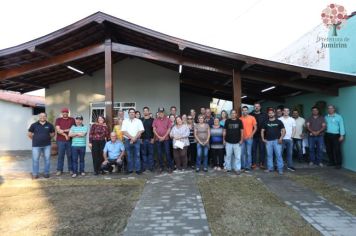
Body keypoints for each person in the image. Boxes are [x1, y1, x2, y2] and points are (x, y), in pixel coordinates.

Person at [28, 113, 55, 179]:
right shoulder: (34, 125)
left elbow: (53, 134)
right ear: (39, 117)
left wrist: (46, 138)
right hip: (36, 146)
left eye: (44, 116)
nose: (42, 117)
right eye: (41, 116)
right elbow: (29, 134)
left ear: (46, 117)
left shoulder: (50, 125)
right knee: (35, 160)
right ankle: (35, 174)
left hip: (47, 146)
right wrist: (35, 139)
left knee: (47, 160)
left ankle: (46, 173)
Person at [261, 108, 286, 175]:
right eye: (269, 113)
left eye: (272, 113)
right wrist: (263, 138)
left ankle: (280, 169)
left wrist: (281, 138)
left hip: (277, 141)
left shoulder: (279, 121)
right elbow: (262, 131)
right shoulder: (265, 122)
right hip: (268, 141)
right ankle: (270, 168)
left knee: (278, 155)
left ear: (274, 113)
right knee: (269, 155)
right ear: (268, 114)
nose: (271, 114)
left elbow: (284, 130)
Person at [121, 108, 144, 174]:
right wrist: (132, 138)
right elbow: (124, 131)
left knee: (137, 155)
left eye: (133, 112)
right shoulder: (125, 121)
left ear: (134, 113)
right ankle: (130, 169)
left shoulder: (138, 121)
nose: (132, 113)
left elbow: (141, 130)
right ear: (128, 113)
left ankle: (138, 170)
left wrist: (134, 138)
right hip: (127, 141)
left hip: (137, 140)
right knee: (129, 155)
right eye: (130, 112)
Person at [55, 107, 75, 176]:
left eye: (66, 112)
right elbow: (58, 130)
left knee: (70, 155)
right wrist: (65, 135)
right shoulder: (58, 120)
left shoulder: (72, 119)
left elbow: (72, 129)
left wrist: (63, 130)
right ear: (62, 113)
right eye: (63, 112)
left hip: (70, 140)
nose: (65, 113)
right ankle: (59, 170)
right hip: (60, 140)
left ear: (68, 113)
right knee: (61, 155)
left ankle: (71, 169)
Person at [153, 107, 174, 173]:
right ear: (158, 113)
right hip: (158, 139)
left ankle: (169, 167)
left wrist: (164, 136)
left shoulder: (168, 120)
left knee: (167, 153)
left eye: (162, 112)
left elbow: (169, 129)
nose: (161, 113)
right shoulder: (155, 120)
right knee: (159, 154)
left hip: (166, 139)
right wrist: (159, 137)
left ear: (164, 112)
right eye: (159, 112)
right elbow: (154, 129)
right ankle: (161, 167)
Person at [324, 105, 345, 169]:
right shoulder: (325, 117)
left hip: (336, 135)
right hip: (327, 135)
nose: (330, 110)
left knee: (337, 150)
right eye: (328, 108)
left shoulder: (339, 117)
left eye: (331, 108)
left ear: (334, 109)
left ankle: (338, 164)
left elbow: (341, 126)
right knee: (329, 149)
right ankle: (331, 162)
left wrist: (342, 135)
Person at [223, 110, 244, 174]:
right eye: (232, 113)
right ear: (230, 114)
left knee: (237, 157)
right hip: (228, 142)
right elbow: (224, 131)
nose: (233, 114)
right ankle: (228, 168)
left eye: (234, 113)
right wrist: (223, 139)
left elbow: (242, 131)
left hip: (237, 142)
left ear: (236, 114)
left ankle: (237, 169)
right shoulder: (227, 121)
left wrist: (241, 140)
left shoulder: (239, 121)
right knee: (228, 156)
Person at [251, 102, 268, 169]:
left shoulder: (264, 115)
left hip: (262, 136)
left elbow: (267, 125)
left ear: (260, 107)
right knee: (253, 150)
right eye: (255, 106)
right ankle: (254, 163)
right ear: (254, 107)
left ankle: (262, 163)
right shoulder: (251, 115)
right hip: (253, 136)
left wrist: (266, 136)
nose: (256, 107)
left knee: (262, 150)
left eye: (258, 106)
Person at [240, 106, 257, 171]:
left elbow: (255, 128)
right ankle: (243, 166)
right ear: (242, 111)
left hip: (249, 138)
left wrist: (251, 135)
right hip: (242, 138)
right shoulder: (240, 119)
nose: (244, 111)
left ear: (248, 111)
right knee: (242, 153)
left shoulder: (252, 118)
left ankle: (248, 167)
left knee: (248, 153)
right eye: (243, 110)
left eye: (246, 110)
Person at [141, 107, 155, 172]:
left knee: (151, 154)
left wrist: (153, 138)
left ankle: (151, 167)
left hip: (150, 139)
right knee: (143, 154)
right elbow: (139, 130)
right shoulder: (141, 120)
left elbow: (155, 130)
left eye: (147, 111)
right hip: (143, 140)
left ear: (149, 111)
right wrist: (140, 139)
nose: (145, 112)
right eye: (144, 111)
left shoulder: (153, 120)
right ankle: (144, 167)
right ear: (143, 112)